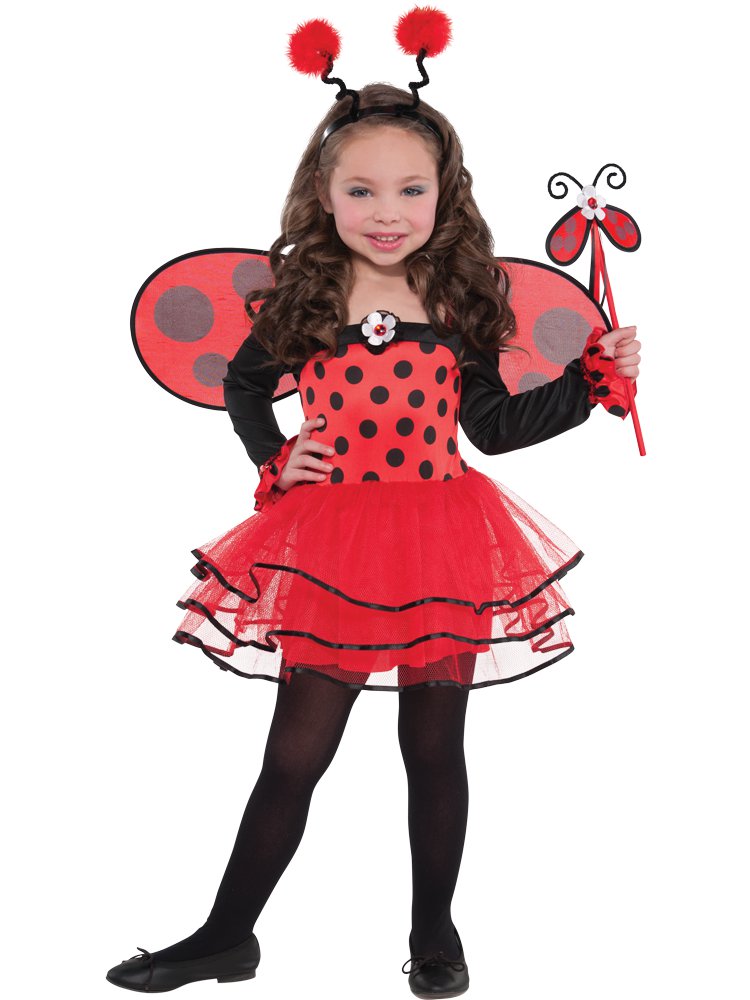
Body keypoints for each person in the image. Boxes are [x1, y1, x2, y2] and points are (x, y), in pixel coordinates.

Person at [106, 79, 641, 998]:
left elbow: (494, 427)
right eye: (361, 190)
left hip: (441, 538)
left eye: (410, 190)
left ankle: (434, 935)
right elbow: (243, 384)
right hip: (336, 546)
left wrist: (591, 382)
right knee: (295, 754)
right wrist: (276, 457)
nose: (386, 212)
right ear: (324, 194)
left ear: (445, 193)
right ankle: (226, 936)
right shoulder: (307, 297)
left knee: (433, 749)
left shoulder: (457, 298)